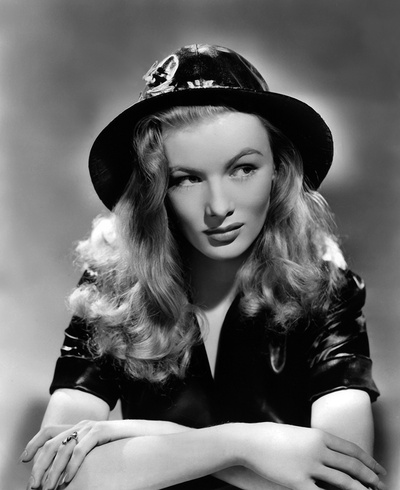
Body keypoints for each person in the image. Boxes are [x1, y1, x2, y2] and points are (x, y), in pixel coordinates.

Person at [21, 44, 385, 490]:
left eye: (243, 169)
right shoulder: (115, 286)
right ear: (156, 190)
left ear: (279, 169)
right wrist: (244, 444)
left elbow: (344, 480)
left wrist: (145, 440)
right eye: (186, 178)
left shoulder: (327, 288)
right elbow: (57, 474)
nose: (218, 207)